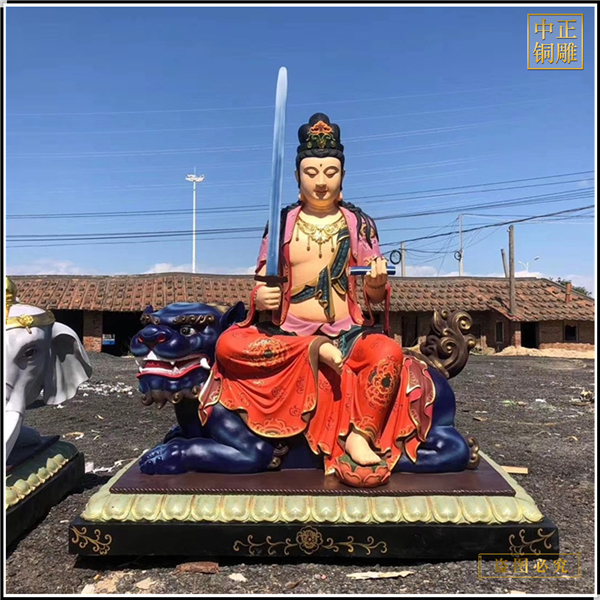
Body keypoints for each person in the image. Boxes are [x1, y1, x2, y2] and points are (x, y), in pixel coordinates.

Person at [213, 113, 434, 487]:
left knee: (389, 353)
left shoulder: (358, 223)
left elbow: (373, 294)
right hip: (289, 335)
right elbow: (262, 280)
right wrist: (261, 297)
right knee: (226, 345)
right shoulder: (281, 222)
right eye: (311, 172)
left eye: (330, 172)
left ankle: (360, 435)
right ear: (297, 177)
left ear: (342, 177)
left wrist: (377, 282)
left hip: (346, 333)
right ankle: (313, 350)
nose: (320, 181)